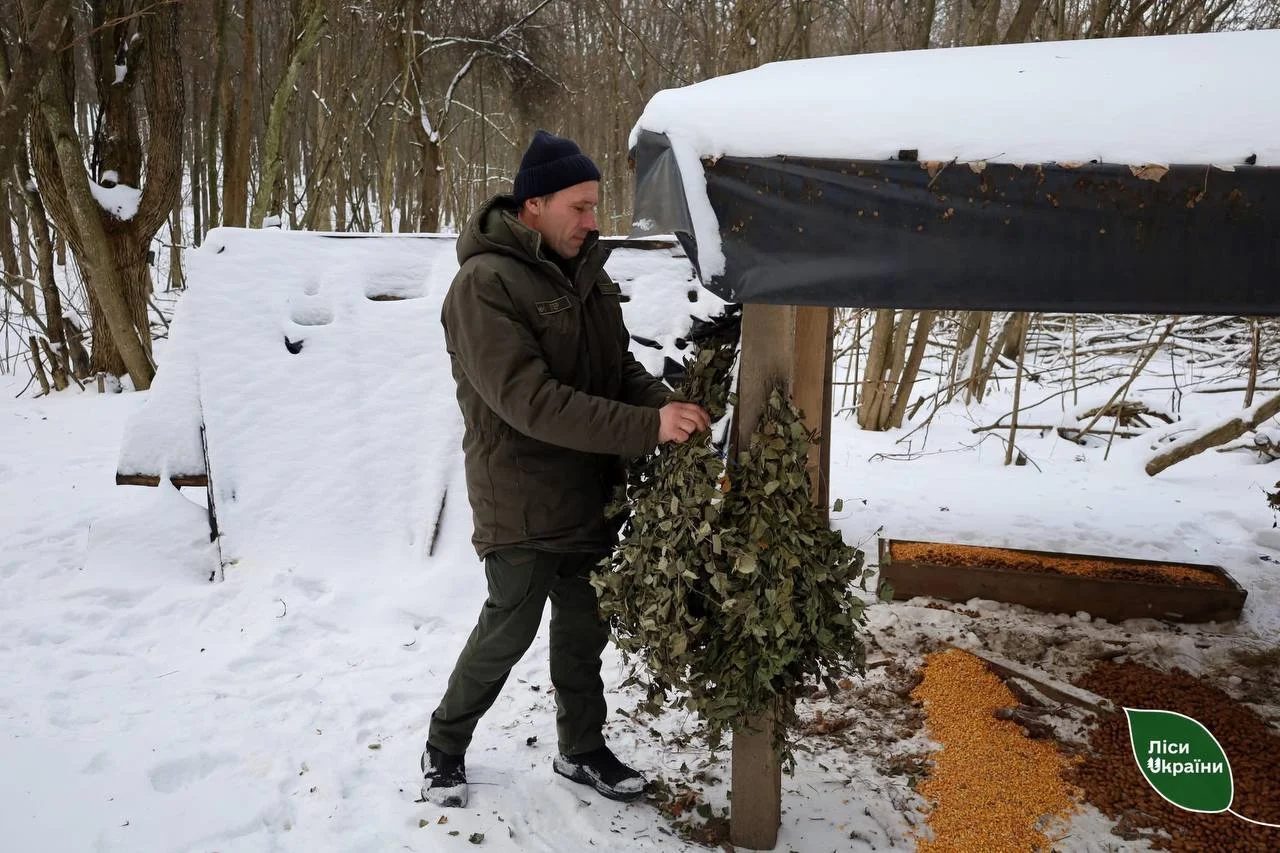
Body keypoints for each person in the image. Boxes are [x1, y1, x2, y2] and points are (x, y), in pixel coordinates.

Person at [422, 130, 711, 808]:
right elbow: (530, 401)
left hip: (590, 493)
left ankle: (582, 748)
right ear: (534, 205)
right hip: (520, 499)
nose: (592, 221)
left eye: (594, 206)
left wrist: (670, 409)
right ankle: (444, 744)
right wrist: (646, 428)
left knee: (584, 631)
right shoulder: (483, 285)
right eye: (579, 207)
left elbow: (616, 371)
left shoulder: (588, 274)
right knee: (508, 630)